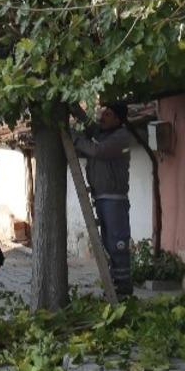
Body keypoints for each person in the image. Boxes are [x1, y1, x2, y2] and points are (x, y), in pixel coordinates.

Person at [73, 101, 135, 298]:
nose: (102, 117)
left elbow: (97, 151)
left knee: (117, 243)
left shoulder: (120, 137)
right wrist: (75, 110)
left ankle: (124, 289)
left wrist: (74, 138)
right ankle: (115, 286)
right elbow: (91, 126)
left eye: (107, 114)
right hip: (102, 197)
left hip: (114, 199)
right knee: (109, 244)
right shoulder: (104, 133)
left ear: (118, 118)